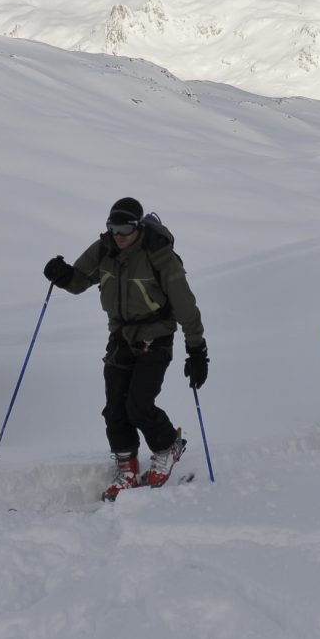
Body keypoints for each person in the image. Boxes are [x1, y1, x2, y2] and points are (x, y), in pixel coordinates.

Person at [43, 197, 207, 500]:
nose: (119, 235)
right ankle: (127, 468)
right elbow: (80, 280)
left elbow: (185, 305)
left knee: (138, 404)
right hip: (120, 336)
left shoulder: (158, 254)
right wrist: (63, 275)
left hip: (156, 336)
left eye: (126, 228)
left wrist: (197, 350)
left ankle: (167, 445)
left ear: (139, 226)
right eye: (113, 227)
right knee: (115, 408)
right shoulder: (104, 248)